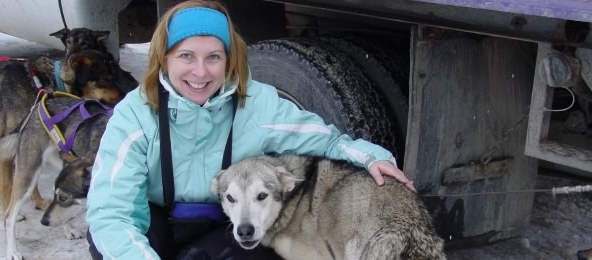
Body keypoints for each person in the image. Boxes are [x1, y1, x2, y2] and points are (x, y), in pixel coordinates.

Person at [85, 0, 417, 259]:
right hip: (155, 221)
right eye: (186, 55)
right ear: (164, 59)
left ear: (229, 60)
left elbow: (325, 139)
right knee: (108, 244)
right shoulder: (136, 115)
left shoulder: (257, 105)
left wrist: (371, 157)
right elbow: (110, 214)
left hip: (224, 224)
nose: (200, 72)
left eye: (213, 57)